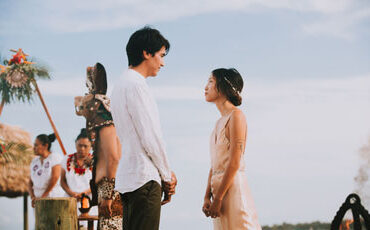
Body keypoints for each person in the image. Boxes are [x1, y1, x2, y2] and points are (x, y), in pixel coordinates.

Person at [110, 26, 177, 230]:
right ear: (146, 53)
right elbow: (151, 138)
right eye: (161, 55)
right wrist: (167, 176)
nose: (163, 63)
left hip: (129, 179)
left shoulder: (120, 85)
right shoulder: (137, 85)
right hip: (144, 178)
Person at [202, 68, 261, 230]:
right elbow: (214, 164)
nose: (205, 87)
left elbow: (235, 161)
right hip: (218, 191)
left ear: (224, 86)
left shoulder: (237, 116)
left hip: (233, 189)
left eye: (211, 82)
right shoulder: (218, 123)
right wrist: (207, 196)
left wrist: (218, 198)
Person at [74, 62, 123, 229]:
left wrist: (109, 195)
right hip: (106, 188)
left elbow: (114, 157)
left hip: (111, 190)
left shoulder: (103, 119)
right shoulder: (101, 120)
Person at [60, 128, 98, 218]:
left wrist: (84, 193)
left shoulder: (95, 161)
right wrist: (72, 193)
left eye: (85, 146)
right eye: (79, 145)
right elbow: (62, 181)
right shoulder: (66, 159)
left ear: (91, 146)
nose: (82, 149)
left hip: (89, 202)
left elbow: (97, 182)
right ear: (75, 144)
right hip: (70, 201)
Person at [28, 133, 64, 208]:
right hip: (37, 199)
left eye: (36, 145)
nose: (34, 148)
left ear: (45, 146)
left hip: (53, 197)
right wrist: (32, 197)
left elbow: (55, 177)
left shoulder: (55, 157)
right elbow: (30, 181)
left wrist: (44, 196)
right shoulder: (34, 161)